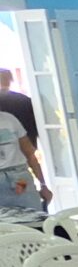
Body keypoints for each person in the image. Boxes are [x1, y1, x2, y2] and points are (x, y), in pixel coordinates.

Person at [0, 73, 45, 229]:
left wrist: (43, 185)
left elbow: (30, 154)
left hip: (19, 178)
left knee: (33, 218)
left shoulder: (9, 119)